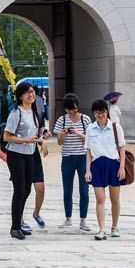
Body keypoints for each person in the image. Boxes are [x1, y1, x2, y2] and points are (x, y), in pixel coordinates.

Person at [2, 79, 47, 240]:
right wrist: (26, 141)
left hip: (30, 154)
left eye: (32, 92)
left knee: (27, 190)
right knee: (19, 190)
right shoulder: (16, 113)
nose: (31, 94)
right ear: (20, 96)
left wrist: (41, 138)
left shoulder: (34, 112)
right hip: (16, 154)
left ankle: (19, 224)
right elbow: (7, 136)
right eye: (27, 92)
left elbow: (36, 132)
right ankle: (15, 227)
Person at [85, 99, 127, 241]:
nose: (99, 114)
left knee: (115, 198)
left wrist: (122, 167)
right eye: (96, 112)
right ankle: (102, 229)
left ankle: (114, 227)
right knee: (100, 198)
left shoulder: (115, 127)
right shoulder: (90, 128)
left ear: (106, 112)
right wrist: (88, 170)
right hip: (97, 165)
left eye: (102, 111)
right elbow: (88, 151)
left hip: (113, 165)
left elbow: (122, 147)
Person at [52, 93, 92, 231]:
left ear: (78, 106)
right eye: (70, 110)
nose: (73, 112)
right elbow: (59, 142)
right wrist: (63, 134)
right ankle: (68, 218)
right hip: (67, 157)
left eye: (75, 109)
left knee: (84, 190)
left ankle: (83, 220)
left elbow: (90, 139)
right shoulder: (62, 120)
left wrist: (77, 133)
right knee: (67, 189)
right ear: (66, 109)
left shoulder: (85, 119)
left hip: (82, 157)